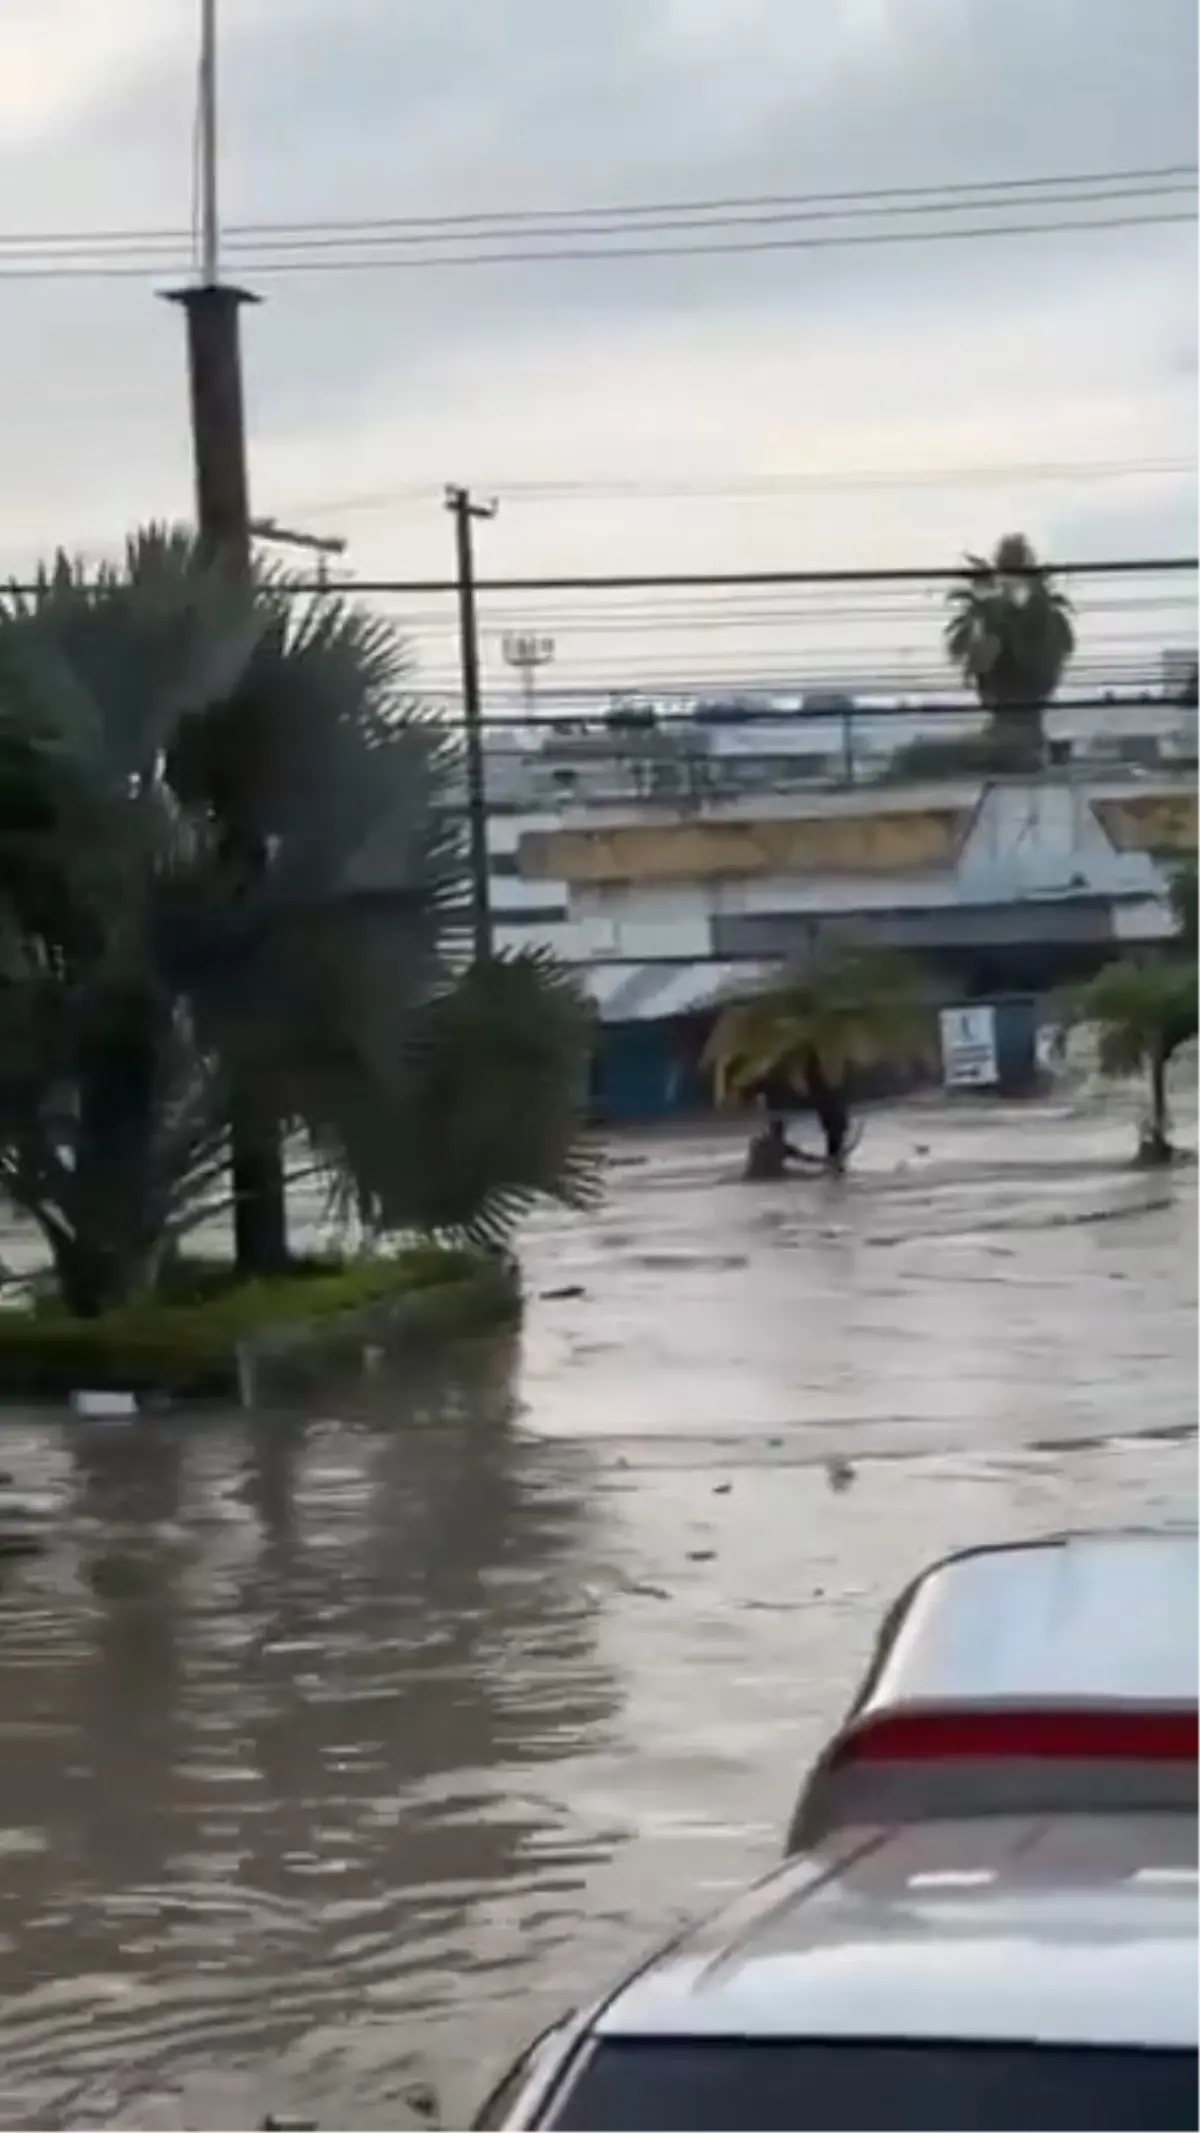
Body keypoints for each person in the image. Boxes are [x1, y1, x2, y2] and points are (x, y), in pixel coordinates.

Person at [743, 1113, 804, 1181]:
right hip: (775, 1176)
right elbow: (803, 1157)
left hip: (753, 1176)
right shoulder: (783, 1147)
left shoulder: (757, 1144)